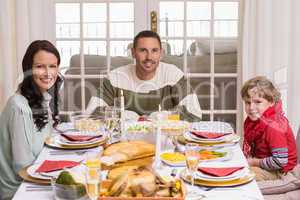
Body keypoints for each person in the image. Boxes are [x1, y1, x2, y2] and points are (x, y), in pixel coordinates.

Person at [86, 30, 202, 121]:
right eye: (143, 50)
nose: (149, 57)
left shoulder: (173, 74)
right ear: (133, 53)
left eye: (154, 50)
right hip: (125, 141)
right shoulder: (115, 77)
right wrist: (127, 116)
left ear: (161, 54)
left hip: (165, 139)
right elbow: (91, 113)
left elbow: (194, 113)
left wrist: (159, 117)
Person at [0, 40, 63, 199]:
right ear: (28, 69)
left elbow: (48, 141)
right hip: (19, 191)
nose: (48, 73)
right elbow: (23, 166)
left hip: (36, 179)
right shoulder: (18, 106)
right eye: (40, 66)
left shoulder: (44, 98)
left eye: (53, 66)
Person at [241, 76, 297, 181]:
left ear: (271, 102)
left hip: (280, 170)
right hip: (264, 163)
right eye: (248, 102)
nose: (251, 107)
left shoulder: (274, 126)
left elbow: (280, 161)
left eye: (258, 102)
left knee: (243, 175)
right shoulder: (253, 121)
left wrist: (253, 162)